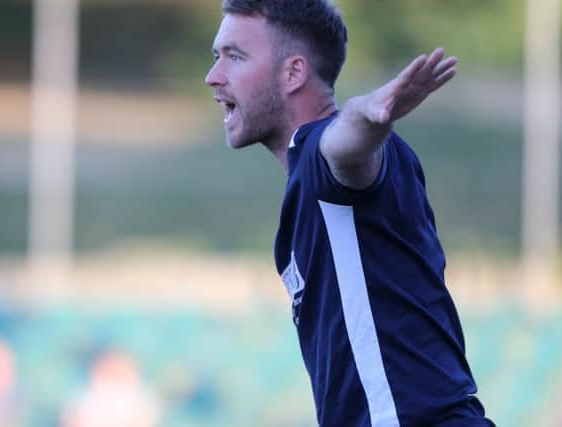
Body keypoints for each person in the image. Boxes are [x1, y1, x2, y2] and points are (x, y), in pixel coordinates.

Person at [205, 1, 494, 426]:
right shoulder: (305, 178)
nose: (214, 76)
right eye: (217, 58)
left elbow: (345, 147)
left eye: (235, 57)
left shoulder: (325, 149)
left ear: (293, 73)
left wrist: (370, 118)